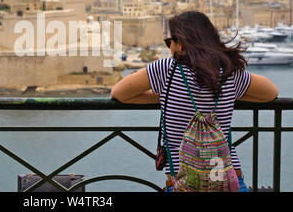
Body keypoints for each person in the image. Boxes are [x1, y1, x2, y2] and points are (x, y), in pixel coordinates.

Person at [111, 11, 278, 192]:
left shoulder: (166, 69)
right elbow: (270, 93)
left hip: (183, 183)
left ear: (180, 45)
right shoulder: (229, 72)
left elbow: (120, 93)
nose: (169, 47)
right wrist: (226, 93)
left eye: (170, 42)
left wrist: (167, 95)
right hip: (228, 180)